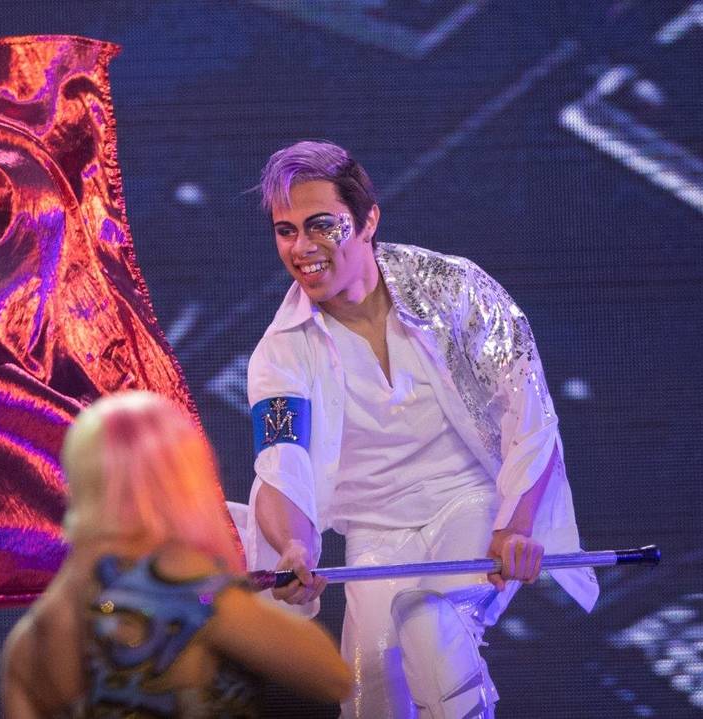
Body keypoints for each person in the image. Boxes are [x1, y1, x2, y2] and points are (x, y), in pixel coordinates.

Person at [243, 140, 599, 718]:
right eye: (286, 231)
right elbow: (283, 462)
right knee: (370, 696)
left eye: (321, 225)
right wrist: (294, 547)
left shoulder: (457, 288)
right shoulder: (279, 355)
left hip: (473, 504)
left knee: (430, 630)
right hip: (375, 533)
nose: (301, 248)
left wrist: (516, 527)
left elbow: (530, 415)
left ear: (367, 220)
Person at [0, 391, 352, 717]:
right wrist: (214, 591)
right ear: (180, 478)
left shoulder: (31, 638)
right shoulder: (186, 591)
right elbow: (333, 677)